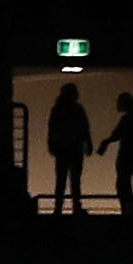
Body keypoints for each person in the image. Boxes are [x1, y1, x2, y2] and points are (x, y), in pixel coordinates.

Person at [48, 82, 94, 213]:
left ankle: (58, 208)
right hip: (75, 148)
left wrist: (51, 144)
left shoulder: (57, 109)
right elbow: (85, 129)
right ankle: (76, 206)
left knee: (61, 180)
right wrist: (88, 144)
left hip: (62, 149)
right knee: (75, 180)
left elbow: (52, 129)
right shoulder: (78, 109)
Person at [101, 90, 133, 209]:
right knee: (125, 181)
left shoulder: (127, 119)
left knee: (122, 182)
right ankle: (130, 206)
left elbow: (117, 134)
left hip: (127, 154)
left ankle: (127, 206)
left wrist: (106, 142)